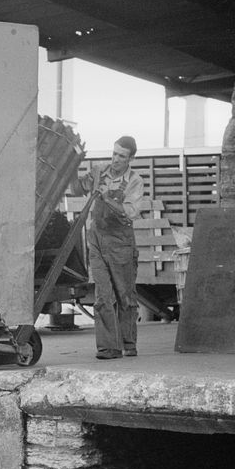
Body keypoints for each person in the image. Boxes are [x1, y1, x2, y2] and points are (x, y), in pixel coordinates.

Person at [70, 135, 145, 359]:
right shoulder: (98, 171)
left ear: (130, 158)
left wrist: (106, 198)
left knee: (125, 294)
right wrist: (72, 168)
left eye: (121, 156)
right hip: (97, 239)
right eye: (114, 154)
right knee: (103, 295)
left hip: (120, 241)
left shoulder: (134, 180)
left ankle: (128, 342)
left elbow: (129, 212)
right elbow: (76, 190)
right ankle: (108, 347)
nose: (115, 159)